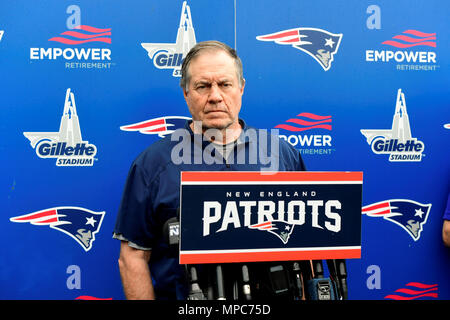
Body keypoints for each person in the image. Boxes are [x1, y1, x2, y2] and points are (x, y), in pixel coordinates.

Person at [113, 40, 306, 300]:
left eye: (225, 84)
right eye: (203, 86)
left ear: (241, 87)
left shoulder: (282, 155)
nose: (215, 96)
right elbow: (133, 257)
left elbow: (305, 248)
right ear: (186, 92)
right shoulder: (153, 164)